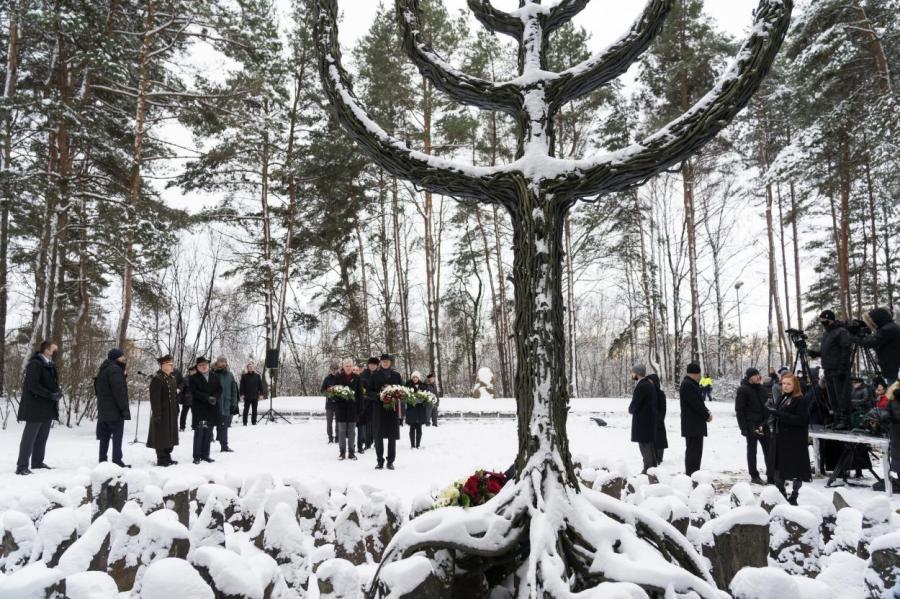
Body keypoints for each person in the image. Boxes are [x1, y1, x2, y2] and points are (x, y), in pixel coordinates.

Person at [16, 341, 61, 475]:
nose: (55, 353)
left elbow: (50, 383)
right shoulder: (35, 364)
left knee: (42, 436)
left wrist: (57, 392)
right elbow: (32, 385)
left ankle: (37, 462)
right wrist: (49, 394)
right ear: (46, 350)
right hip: (35, 406)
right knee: (29, 437)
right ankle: (22, 466)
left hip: (47, 406)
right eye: (53, 350)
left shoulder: (49, 364)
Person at [770, 373, 812, 504]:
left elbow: (801, 420)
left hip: (794, 442)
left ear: (795, 385)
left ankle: (795, 496)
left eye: (789, 384)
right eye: (783, 383)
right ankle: (782, 494)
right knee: (777, 470)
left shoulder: (800, 400)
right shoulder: (783, 397)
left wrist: (779, 414)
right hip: (781, 440)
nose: (785, 386)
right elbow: (778, 415)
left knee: (796, 471)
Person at [735, 368, 773, 485]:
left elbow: (767, 406)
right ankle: (754, 475)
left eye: (758, 375)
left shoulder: (762, 389)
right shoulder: (743, 390)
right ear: (749, 377)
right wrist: (743, 428)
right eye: (755, 375)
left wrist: (767, 421)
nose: (758, 377)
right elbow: (739, 410)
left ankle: (771, 475)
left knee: (769, 450)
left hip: (764, 424)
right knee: (752, 451)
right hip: (751, 425)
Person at [94, 348, 131, 468]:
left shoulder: (104, 369)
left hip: (104, 409)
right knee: (117, 436)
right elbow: (118, 391)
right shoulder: (115, 370)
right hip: (114, 410)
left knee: (104, 437)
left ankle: (102, 461)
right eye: (121, 356)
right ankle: (117, 461)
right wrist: (124, 409)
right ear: (116, 358)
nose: (123, 358)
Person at [817, 309, 853, 429]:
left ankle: (844, 420)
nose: (823, 323)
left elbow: (846, 350)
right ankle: (837, 419)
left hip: (839, 369)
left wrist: (842, 368)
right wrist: (817, 353)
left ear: (831, 320)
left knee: (841, 396)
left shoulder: (841, 331)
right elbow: (829, 351)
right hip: (828, 368)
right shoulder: (826, 334)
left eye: (825, 320)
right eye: (821, 320)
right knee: (832, 397)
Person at [370, 353, 403, 470]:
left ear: (390, 362)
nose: (385, 363)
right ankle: (380, 461)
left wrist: (396, 396)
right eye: (383, 361)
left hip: (392, 410)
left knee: (392, 436)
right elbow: (369, 393)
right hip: (379, 410)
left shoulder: (396, 375)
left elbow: (402, 392)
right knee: (378, 437)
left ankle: (390, 461)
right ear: (380, 362)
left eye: (387, 361)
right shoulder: (374, 376)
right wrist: (378, 395)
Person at [680, 362, 712, 476]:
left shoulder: (690, 384)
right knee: (693, 453)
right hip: (692, 425)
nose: (700, 376)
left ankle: (694, 475)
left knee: (695, 452)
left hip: (694, 425)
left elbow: (699, 403)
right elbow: (696, 404)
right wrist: (706, 415)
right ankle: (692, 476)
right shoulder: (688, 384)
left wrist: (707, 412)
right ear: (695, 373)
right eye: (699, 373)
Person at [148, 355, 179, 467]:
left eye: (172, 364)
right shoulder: (157, 379)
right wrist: (157, 414)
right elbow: (155, 399)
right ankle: (161, 459)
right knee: (161, 436)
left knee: (169, 435)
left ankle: (167, 456)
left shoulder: (171, 378)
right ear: (163, 365)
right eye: (169, 364)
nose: (172, 366)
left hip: (171, 412)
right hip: (161, 412)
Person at [854, 308, 900, 385]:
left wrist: (854, 337)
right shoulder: (891, 327)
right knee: (893, 388)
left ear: (878, 319)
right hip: (892, 365)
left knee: (893, 390)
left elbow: (869, 343)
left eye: (872, 321)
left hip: (892, 366)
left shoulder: (887, 329)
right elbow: (876, 341)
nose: (872, 324)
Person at [189, 357, 221, 464]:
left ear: (208, 365)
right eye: (201, 365)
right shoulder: (193, 378)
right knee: (200, 432)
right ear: (197, 367)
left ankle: (206, 455)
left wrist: (215, 397)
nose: (204, 366)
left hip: (212, 408)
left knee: (208, 433)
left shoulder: (215, 376)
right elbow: (194, 392)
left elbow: (219, 389)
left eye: (205, 364)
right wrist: (207, 398)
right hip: (200, 409)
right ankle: (197, 456)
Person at [628, 364, 657, 474]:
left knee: (645, 446)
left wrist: (631, 409)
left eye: (633, 372)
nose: (632, 374)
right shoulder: (649, 384)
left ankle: (648, 469)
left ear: (637, 373)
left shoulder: (642, 386)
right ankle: (652, 468)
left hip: (643, 422)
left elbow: (635, 403)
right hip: (648, 421)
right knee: (649, 446)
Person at [333, 358, 363, 460]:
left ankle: (351, 452)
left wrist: (360, 409)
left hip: (353, 409)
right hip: (341, 409)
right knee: (341, 431)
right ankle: (342, 452)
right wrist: (339, 397)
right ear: (343, 367)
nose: (348, 368)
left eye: (350, 366)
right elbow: (334, 392)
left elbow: (360, 394)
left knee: (351, 431)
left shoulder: (357, 378)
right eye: (346, 366)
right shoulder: (338, 377)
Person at [213, 357, 238, 453]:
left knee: (224, 425)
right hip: (215, 404)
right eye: (220, 361)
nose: (222, 363)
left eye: (224, 362)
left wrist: (234, 402)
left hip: (226, 403)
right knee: (213, 424)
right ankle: (209, 443)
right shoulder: (213, 374)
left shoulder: (230, 375)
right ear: (217, 363)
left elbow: (234, 389)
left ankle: (224, 445)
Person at [359, 357, 379, 452]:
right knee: (367, 423)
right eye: (371, 364)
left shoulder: (379, 374)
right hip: (366, 402)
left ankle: (376, 441)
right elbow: (360, 387)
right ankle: (367, 443)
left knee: (376, 423)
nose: (372, 366)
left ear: (377, 365)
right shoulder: (363, 374)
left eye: (374, 365)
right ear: (368, 365)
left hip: (376, 402)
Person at [647, 373, 668, 465]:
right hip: (649, 421)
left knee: (659, 440)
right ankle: (652, 457)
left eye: (650, 381)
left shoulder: (660, 394)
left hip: (658, 421)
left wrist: (660, 420)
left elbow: (663, 409)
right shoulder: (648, 393)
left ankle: (659, 457)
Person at [405, 371, 429, 449]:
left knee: (419, 428)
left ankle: (418, 444)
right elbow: (405, 397)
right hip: (411, 409)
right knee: (412, 427)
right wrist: (411, 400)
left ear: (418, 378)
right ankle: (412, 445)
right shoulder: (408, 385)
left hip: (420, 410)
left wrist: (422, 400)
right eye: (413, 377)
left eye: (416, 377)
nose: (415, 379)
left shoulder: (423, 386)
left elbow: (427, 397)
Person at [321, 363, 340, 444]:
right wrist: (329, 394)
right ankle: (330, 437)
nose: (334, 371)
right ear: (330, 370)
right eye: (332, 369)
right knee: (329, 422)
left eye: (335, 369)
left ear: (338, 369)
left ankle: (337, 437)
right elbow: (322, 390)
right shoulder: (327, 378)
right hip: (329, 404)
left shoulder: (341, 377)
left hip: (339, 403)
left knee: (338, 421)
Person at [178, 366, 195, 432]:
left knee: (195, 414)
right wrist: (179, 389)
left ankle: (194, 426)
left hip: (195, 400)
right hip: (186, 400)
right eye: (191, 371)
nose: (193, 372)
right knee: (184, 414)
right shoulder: (185, 379)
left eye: (194, 371)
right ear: (189, 372)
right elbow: (181, 386)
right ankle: (182, 427)